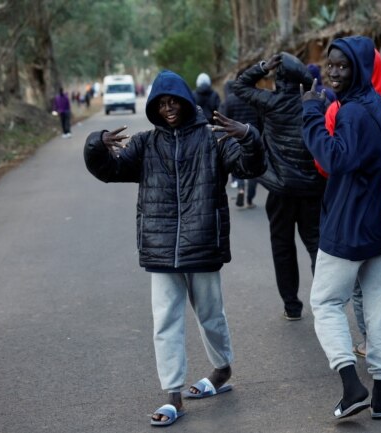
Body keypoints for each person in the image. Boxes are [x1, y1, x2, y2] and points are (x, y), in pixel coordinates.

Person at [83, 69, 265, 426]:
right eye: (161, 103)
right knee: (165, 322)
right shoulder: (145, 143)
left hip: (203, 244)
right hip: (161, 249)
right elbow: (109, 171)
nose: (168, 108)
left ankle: (221, 370)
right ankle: (173, 396)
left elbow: (251, 164)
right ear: (154, 106)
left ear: (186, 101)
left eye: (174, 102)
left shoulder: (212, 140)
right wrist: (96, 144)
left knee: (211, 315)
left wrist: (249, 136)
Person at [302, 35, 381, 420]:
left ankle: (351, 386)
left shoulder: (351, 113)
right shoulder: (380, 106)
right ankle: (380, 395)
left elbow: (334, 158)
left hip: (349, 227)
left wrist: (312, 114)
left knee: (325, 303)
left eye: (343, 66)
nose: (333, 72)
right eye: (330, 64)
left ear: (360, 69)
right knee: (379, 311)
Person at [317, 49, 381, 366]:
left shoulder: (339, 109)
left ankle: (365, 346)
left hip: (350, 214)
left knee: (347, 293)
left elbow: (327, 165)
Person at [232, 52, 325, 321]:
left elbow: (240, 86)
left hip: (281, 189)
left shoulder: (270, 102)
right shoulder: (316, 103)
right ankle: (324, 303)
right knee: (315, 245)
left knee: (282, 247)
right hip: (312, 189)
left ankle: (292, 306)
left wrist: (262, 67)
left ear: (279, 79)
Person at [220, 77, 262, 209]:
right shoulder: (253, 100)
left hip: (235, 137)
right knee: (253, 165)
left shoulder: (230, 100)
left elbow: (225, 120)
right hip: (252, 135)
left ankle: (240, 188)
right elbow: (261, 119)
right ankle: (249, 200)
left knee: (236, 163)